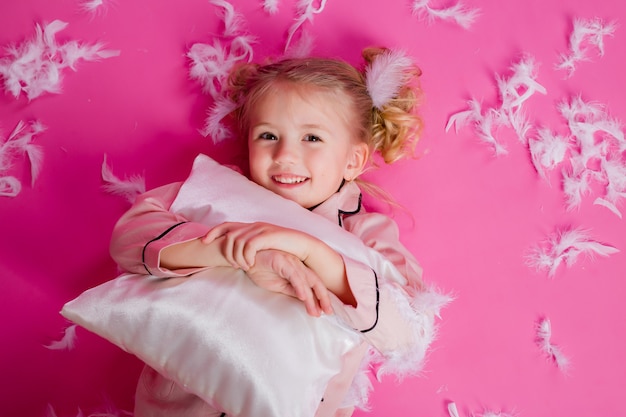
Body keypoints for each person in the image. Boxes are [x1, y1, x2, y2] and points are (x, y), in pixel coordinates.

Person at [110, 46, 444, 417]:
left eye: (312, 138)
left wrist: (309, 251)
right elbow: (130, 237)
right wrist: (235, 251)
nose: (285, 155)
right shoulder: (219, 192)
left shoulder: (367, 233)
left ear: (353, 160)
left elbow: (409, 335)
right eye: (268, 136)